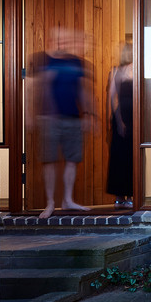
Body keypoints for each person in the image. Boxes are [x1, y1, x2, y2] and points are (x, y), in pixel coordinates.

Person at [36, 27, 93, 219]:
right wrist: (30, 115)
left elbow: (83, 90)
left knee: (72, 160)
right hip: (49, 119)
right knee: (49, 160)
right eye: (60, 39)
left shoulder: (76, 62)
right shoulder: (44, 60)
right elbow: (33, 88)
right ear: (53, 40)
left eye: (67, 40)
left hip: (73, 118)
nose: (63, 43)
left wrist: (88, 114)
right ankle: (50, 203)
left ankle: (68, 200)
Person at [106, 41, 134, 209]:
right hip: (121, 116)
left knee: (132, 156)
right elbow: (112, 97)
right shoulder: (117, 71)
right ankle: (119, 196)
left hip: (135, 117)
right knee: (119, 156)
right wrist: (119, 121)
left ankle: (131, 194)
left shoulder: (138, 70)